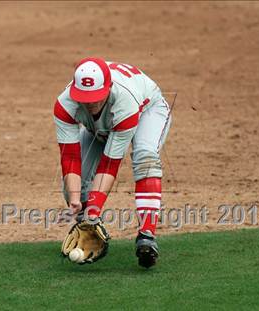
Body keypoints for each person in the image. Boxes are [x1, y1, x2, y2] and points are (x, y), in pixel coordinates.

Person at [54, 57, 171, 268]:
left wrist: (96, 206)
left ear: (109, 87)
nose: (90, 104)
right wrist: (75, 202)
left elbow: (110, 163)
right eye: (85, 98)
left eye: (96, 97)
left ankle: (147, 236)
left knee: (145, 157)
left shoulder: (125, 100)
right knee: (75, 189)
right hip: (101, 128)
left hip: (147, 111)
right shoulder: (65, 104)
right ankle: (88, 230)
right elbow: (70, 157)